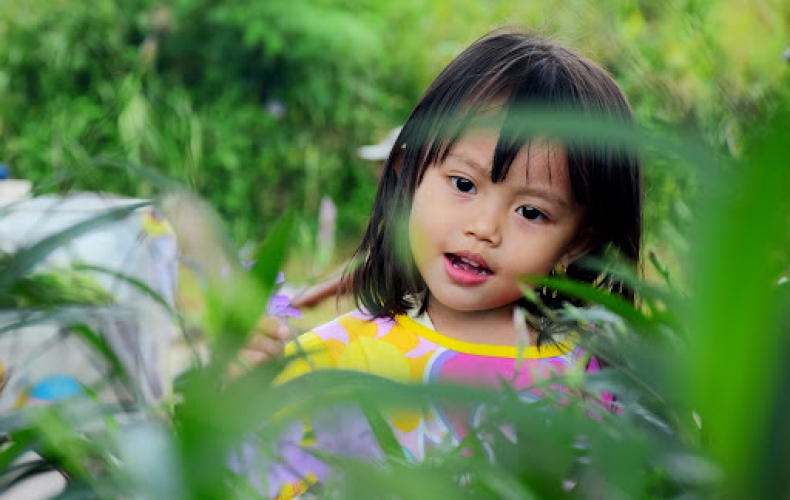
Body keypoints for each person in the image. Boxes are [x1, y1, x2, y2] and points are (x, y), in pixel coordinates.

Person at [251, 27, 643, 497]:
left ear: (577, 242)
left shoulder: (596, 383)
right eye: (462, 184)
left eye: (531, 212)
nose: (484, 227)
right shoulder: (333, 361)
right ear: (408, 173)